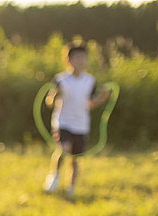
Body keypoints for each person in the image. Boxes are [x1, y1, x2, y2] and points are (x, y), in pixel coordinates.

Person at [44, 41, 111, 198]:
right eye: (77, 58)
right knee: (63, 148)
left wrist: (103, 98)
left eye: (83, 58)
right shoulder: (60, 79)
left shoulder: (90, 81)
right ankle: (54, 178)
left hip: (81, 124)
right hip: (63, 121)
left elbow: (90, 103)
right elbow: (49, 103)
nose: (81, 61)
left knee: (75, 158)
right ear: (68, 60)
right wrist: (54, 96)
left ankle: (71, 188)